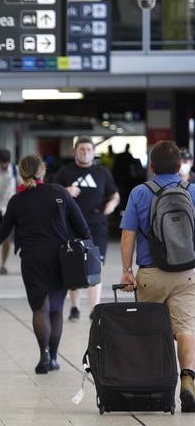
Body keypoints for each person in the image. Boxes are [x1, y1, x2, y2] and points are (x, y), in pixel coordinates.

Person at [0, 155, 91, 374]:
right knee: (56, 309)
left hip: (32, 258)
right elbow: (82, 227)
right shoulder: (60, 193)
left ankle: (43, 353)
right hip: (60, 258)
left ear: (21, 173)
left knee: (40, 307)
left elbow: (5, 229)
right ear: (43, 170)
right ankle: (53, 358)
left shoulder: (18, 200)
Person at [120, 140, 195, 413]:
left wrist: (128, 270)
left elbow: (127, 234)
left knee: (150, 329)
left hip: (150, 274)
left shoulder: (140, 192)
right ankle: (188, 380)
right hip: (186, 273)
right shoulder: (192, 191)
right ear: (179, 166)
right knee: (186, 329)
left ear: (151, 166)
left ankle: (155, 388)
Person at [54, 136, 120, 321]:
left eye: (89, 150)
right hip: (71, 226)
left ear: (93, 151)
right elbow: (51, 193)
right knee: (72, 265)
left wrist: (112, 205)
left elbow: (114, 194)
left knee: (95, 266)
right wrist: (65, 190)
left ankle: (95, 309)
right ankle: (75, 308)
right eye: (82, 150)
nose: (85, 153)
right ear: (75, 151)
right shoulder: (65, 172)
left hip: (97, 225)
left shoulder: (102, 172)